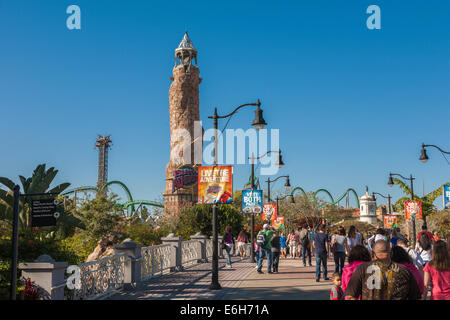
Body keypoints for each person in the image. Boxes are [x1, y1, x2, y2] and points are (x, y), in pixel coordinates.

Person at [345, 240, 422, 300]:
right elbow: (416, 297)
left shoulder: (362, 269)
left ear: (372, 254)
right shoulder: (404, 271)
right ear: (391, 254)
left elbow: (351, 297)